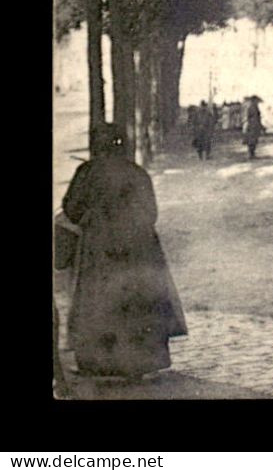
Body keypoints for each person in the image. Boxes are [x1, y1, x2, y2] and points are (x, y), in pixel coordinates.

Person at [59, 124, 187, 381]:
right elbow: (151, 213)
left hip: (99, 250)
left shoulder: (87, 171)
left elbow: (70, 208)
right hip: (139, 249)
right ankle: (139, 364)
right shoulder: (137, 173)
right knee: (138, 304)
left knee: (99, 303)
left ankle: (97, 364)